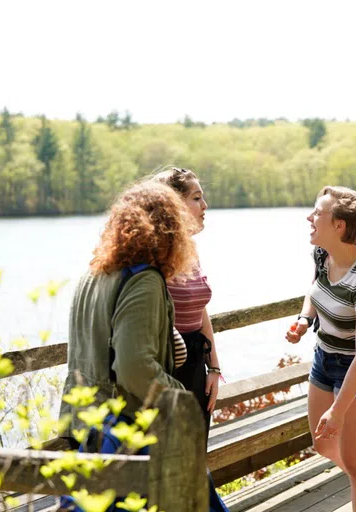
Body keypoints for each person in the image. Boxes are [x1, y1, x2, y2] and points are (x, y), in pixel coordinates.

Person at [58, 180, 196, 511]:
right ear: (169, 230)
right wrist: (181, 401)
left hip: (84, 428)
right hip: (126, 434)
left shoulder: (92, 275)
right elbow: (134, 367)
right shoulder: (143, 280)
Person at [286, 186, 356, 512]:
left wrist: (338, 410)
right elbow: (316, 287)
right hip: (324, 359)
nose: (309, 217)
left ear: (339, 226)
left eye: (317, 213)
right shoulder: (323, 254)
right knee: (322, 444)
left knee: (355, 459)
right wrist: (305, 319)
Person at [154, 166, 229, 512]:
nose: (205, 205)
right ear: (173, 205)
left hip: (197, 367)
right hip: (168, 373)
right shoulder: (154, 256)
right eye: (196, 198)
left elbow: (200, 312)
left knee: (195, 461)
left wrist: (214, 367)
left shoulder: (191, 251)